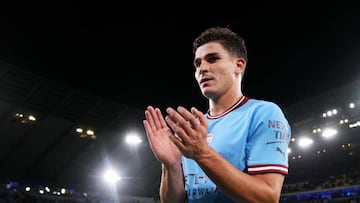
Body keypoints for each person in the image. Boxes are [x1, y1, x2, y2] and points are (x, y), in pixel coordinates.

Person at [143, 26, 291, 203]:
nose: (202, 68)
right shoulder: (192, 130)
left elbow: (267, 198)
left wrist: (203, 154)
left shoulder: (263, 113)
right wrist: (171, 165)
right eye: (198, 63)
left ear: (238, 65)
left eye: (212, 59)